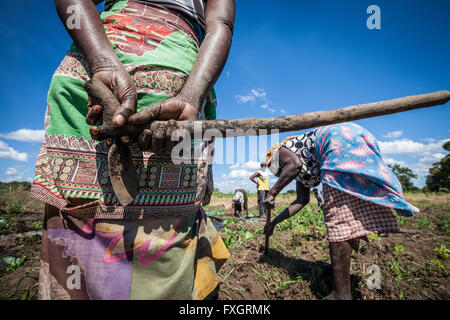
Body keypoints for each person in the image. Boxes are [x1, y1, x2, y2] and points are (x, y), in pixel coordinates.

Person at [32, 0, 235, 300]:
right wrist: (192, 96)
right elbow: (221, 24)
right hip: (177, 77)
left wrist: (101, 62)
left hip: (97, 66)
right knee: (165, 248)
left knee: (76, 240)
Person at [263, 122, 418, 300]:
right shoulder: (303, 170)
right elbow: (301, 200)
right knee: (349, 208)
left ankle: (341, 294)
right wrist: (274, 222)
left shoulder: (280, 151)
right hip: (356, 136)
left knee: (337, 216)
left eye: (279, 172)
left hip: (336, 141)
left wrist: (273, 192)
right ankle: (341, 281)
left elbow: (294, 165)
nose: (282, 175)